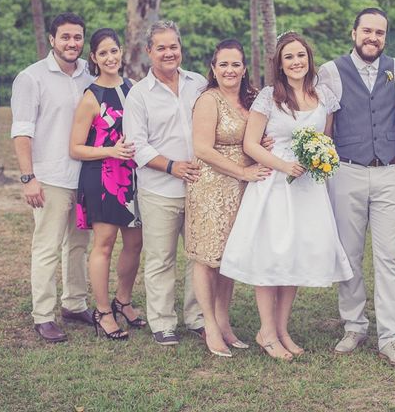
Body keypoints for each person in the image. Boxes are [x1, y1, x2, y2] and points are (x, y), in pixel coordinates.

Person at [220, 32, 353, 361]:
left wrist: (319, 159)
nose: (296, 62)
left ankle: (281, 329)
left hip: (308, 188)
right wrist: (284, 165)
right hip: (274, 185)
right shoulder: (269, 97)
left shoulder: (323, 94)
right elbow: (251, 144)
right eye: (289, 57)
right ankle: (266, 331)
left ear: (309, 58)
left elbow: (326, 138)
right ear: (279, 64)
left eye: (301, 56)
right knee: (271, 256)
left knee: (293, 257)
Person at [318, 8, 395, 367]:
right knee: (350, 253)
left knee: (389, 257)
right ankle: (354, 325)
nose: (373, 38)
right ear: (353, 32)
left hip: (389, 171)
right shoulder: (330, 70)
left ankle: (391, 336)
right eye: (367, 31)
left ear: (385, 37)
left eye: (380, 33)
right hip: (347, 171)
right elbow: (325, 121)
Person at [11, 12, 94, 343]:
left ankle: (74, 303)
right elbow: (21, 132)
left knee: (78, 245)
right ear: (51, 39)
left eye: (77, 37)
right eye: (65, 37)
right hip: (50, 177)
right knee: (46, 246)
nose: (72, 43)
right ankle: (43, 315)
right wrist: (28, 177)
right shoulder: (31, 78)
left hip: (85, 176)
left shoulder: (91, 72)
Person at [185, 39, 271, 357]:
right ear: (213, 68)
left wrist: (266, 141)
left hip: (241, 189)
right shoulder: (209, 100)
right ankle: (209, 325)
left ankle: (224, 321)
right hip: (212, 186)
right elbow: (203, 149)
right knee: (208, 258)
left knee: (227, 257)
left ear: (244, 68)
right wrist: (243, 172)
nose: (230, 70)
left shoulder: (250, 100)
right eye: (223, 64)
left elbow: (254, 136)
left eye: (235, 64)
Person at [123, 20, 205, 346]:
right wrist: (172, 167)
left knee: (199, 255)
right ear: (149, 52)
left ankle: (197, 317)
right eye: (162, 47)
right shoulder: (139, 95)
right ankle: (162, 321)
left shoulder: (198, 83)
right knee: (161, 257)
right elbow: (136, 146)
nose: (169, 53)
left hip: (200, 187)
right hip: (159, 189)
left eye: (173, 46)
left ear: (180, 48)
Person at [69, 28, 145, 341]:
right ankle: (102, 311)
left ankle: (122, 300)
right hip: (101, 176)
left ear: (121, 52)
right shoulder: (91, 97)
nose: (110, 57)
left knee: (135, 242)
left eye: (114, 51)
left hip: (133, 176)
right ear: (94, 59)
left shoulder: (134, 88)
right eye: (103, 53)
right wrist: (110, 151)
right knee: (105, 243)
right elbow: (75, 147)